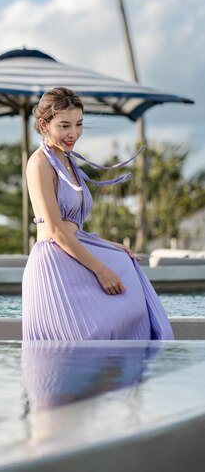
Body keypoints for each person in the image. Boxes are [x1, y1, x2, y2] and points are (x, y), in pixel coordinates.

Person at [22, 87, 174, 341]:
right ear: (43, 124)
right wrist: (101, 271)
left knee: (127, 264)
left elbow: (73, 227)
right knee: (86, 346)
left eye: (79, 124)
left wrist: (107, 245)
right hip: (54, 263)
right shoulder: (40, 163)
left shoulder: (67, 159)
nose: (73, 133)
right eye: (64, 125)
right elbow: (57, 230)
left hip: (71, 250)